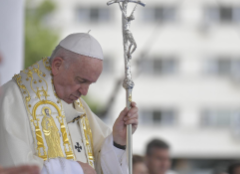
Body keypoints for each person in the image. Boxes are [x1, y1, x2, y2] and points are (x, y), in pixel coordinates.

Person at [0, 33, 139, 174]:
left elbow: (100, 165)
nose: (84, 92)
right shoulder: (12, 98)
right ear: (57, 65)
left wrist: (117, 141)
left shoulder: (80, 106)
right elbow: (13, 165)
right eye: (81, 80)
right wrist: (74, 170)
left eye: (90, 83)